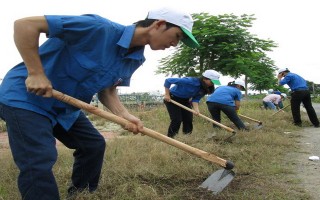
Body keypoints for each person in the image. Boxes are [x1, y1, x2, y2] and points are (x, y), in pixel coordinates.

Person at [0, 7, 200, 200]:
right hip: (25, 98)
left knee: (92, 145)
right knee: (39, 159)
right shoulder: (98, 28)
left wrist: (124, 115)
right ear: (159, 24)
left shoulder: (135, 59)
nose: (175, 44)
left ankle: (81, 195)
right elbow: (25, 25)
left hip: (65, 107)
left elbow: (108, 90)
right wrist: (36, 73)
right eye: (177, 36)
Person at [163, 70, 221, 138]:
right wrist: (167, 94)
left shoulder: (204, 89)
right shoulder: (190, 81)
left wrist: (196, 109)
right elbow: (168, 80)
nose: (212, 84)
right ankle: (171, 138)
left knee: (188, 119)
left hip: (185, 100)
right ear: (205, 79)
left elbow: (196, 99)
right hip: (172, 99)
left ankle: (186, 137)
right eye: (212, 82)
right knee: (177, 119)